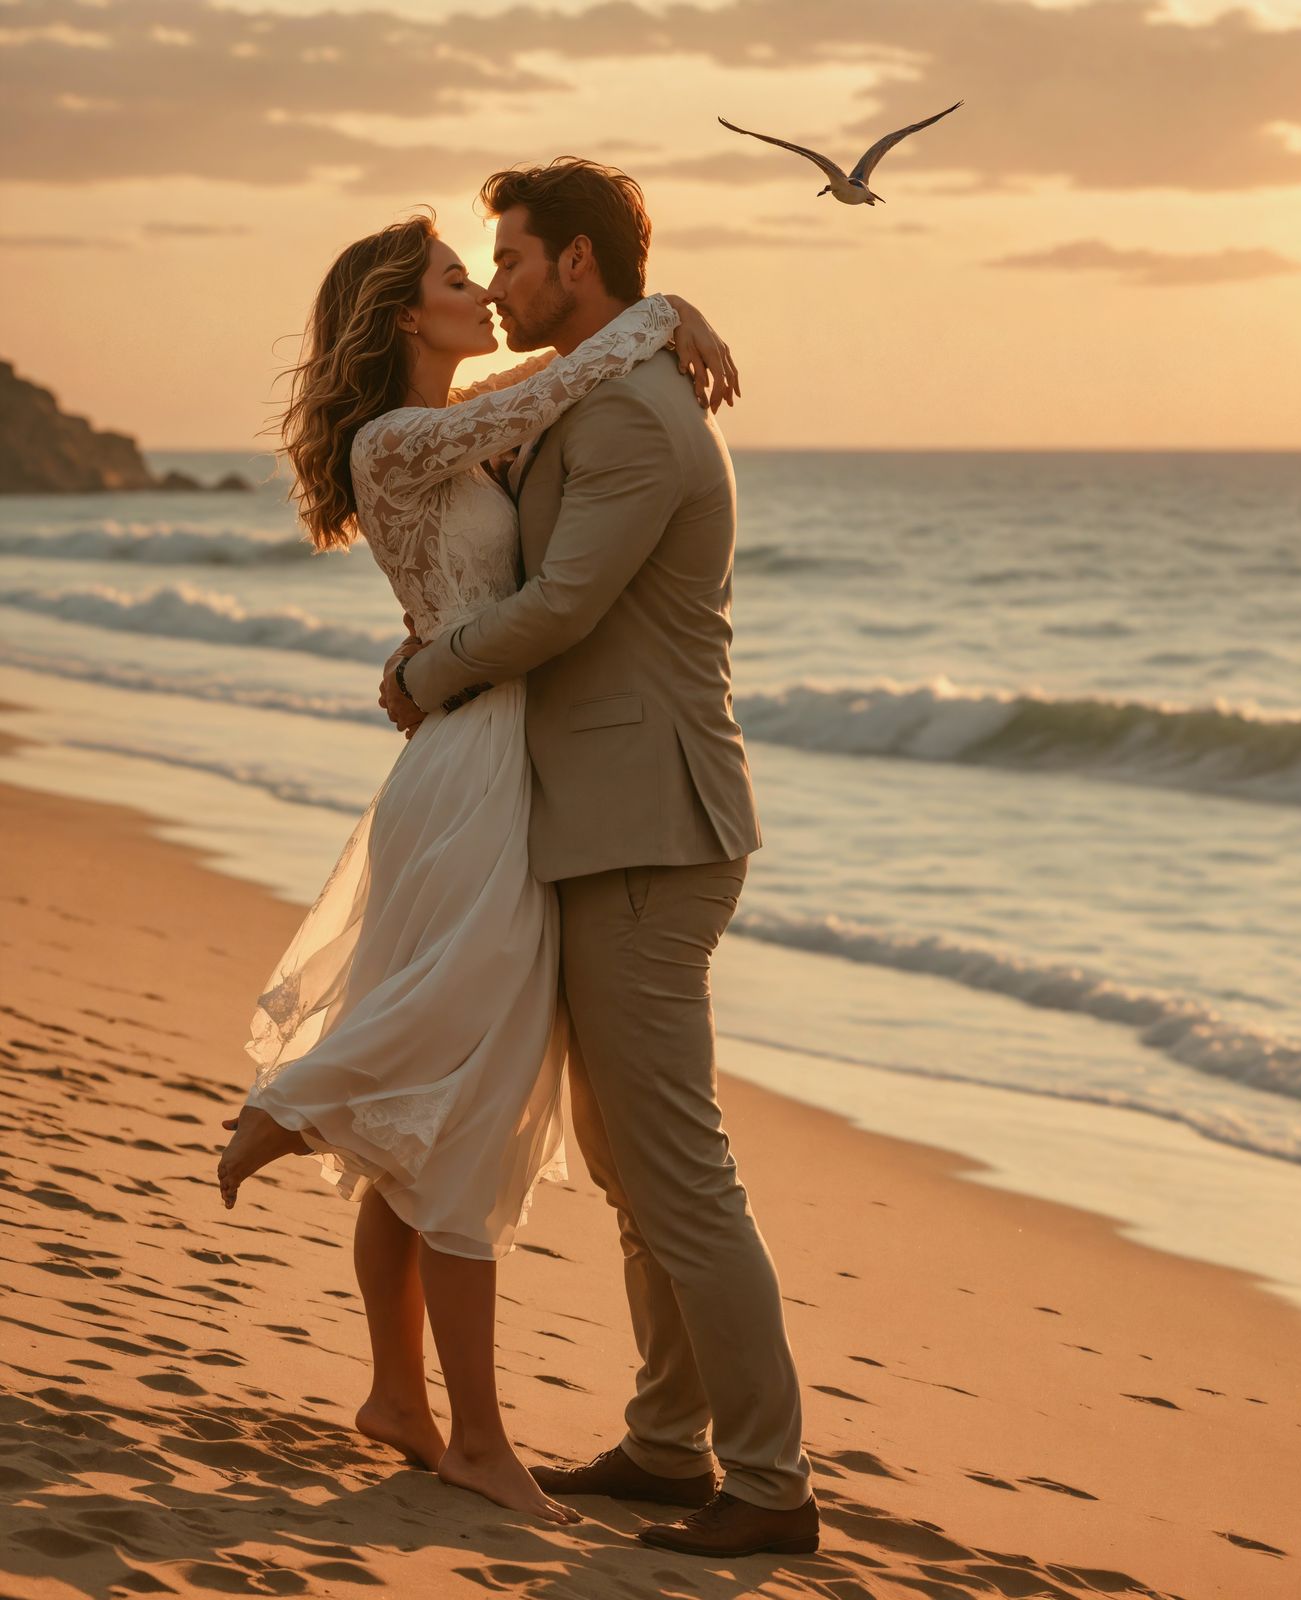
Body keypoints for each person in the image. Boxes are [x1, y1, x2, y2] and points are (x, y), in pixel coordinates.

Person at [215, 205, 737, 1527]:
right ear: (403, 313)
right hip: (472, 772)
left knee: (451, 1098)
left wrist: (658, 322)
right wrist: (666, 315)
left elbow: (549, 380)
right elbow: (568, 378)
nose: (485, 291)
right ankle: (479, 1431)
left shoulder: (455, 415)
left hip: (486, 762)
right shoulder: (399, 437)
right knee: (474, 1085)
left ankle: (401, 1397)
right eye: (460, 275)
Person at [381, 159, 819, 1558]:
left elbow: (565, 607)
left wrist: (428, 672)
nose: (497, 280)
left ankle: (768, 1484)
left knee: (677, 1168)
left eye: (510, 256)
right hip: (606, 817)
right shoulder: (598, 382)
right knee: (638, 1163)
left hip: (650, 823)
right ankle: (665, 1444)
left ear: (577, 263)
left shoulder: (630, 411)